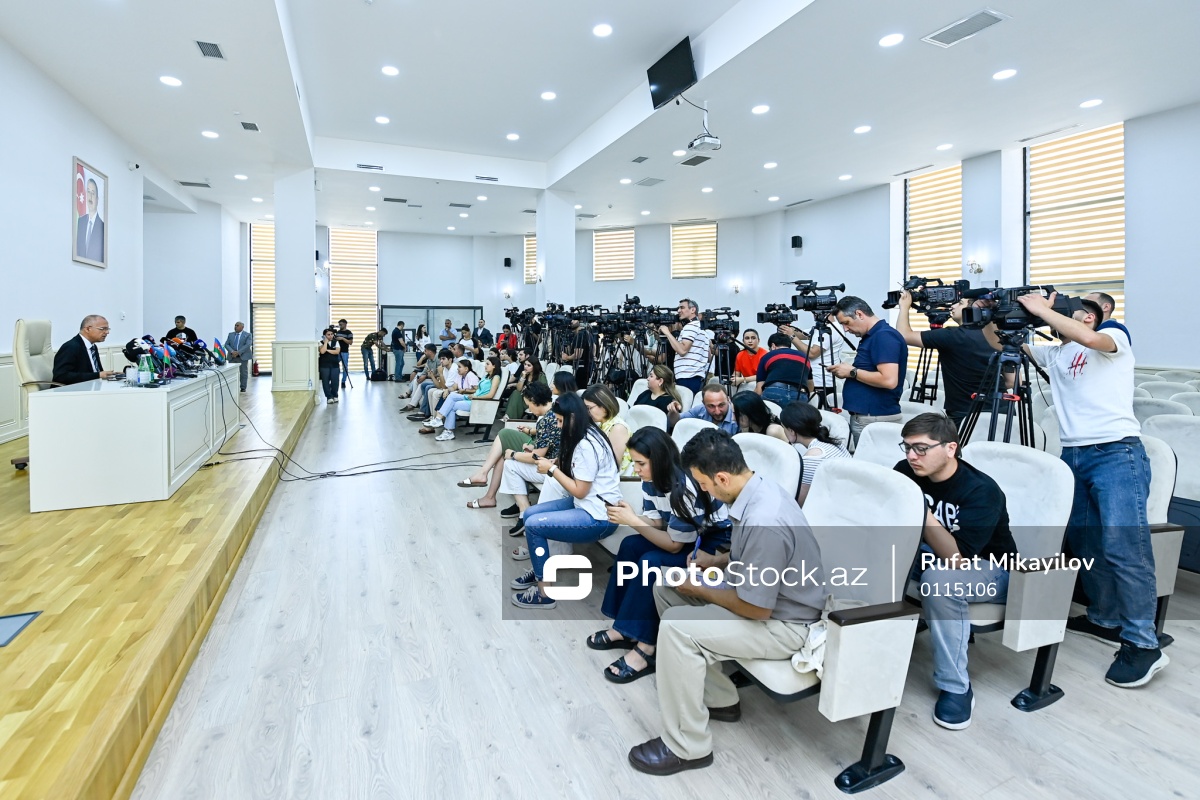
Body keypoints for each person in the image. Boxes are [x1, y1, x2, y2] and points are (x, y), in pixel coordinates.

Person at [983, 293, 1167, 688]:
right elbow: (1000, 344)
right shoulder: (1056, 353)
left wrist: (1042, 309)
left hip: (1116, 453)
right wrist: (988, 314)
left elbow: (1090, 338)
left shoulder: (1113, 335)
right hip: (1073, 454)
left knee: (1124, 547)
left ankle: (1143, 643)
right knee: (1085, 543)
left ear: (1088, 317)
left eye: (1068, 311)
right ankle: (1105, 618)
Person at [628, 429, 824, 776]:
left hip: (785, 625)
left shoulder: (765, 519)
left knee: (677, 628)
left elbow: (756, 609)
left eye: (704, 485)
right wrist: (716, 562)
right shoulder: (756, 491)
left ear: (721, 478)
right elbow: (749, 557)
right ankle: (721, 700)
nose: (705, 492)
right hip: (760, 601)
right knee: (665, 588)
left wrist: (700, 589)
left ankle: (686, 747)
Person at [893, 413, 1016, 729]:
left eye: (921, 448)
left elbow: (957, 559)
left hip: (992, 569)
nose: (911, 456)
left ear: (950, 448)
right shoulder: (906, 471)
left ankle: (956, 686)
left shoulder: (981, 491)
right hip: (931, 556)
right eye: (907, 447)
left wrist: (921, 510)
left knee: (938, 581)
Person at [592, 427, 731, 684]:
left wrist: (633, 521)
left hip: (712, 542)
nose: (636, 469)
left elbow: (675, 546)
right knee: (630, 546)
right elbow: (656, 522)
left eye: (641, 464)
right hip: (685, 535)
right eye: (635, 463)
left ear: (659, 460)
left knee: (652, 562)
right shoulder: (651, 480)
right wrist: (632, 516)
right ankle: (624, 628)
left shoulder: (684, 487)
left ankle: (646, 647)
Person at [510, 393, 621, 609]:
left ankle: (544, 594)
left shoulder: (587, 444)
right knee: (531, 513)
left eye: (561, 421)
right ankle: (541, 568)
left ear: (573, 417)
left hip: (598, 517)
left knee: (533, 525)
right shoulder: (586, 434)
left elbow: (579, 491)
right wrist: (557, 463)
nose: (559, 426)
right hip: (588, 505)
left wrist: (552, 469)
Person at [895, 288, 992, 424]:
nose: (953, 306)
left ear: (974, 309)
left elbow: (904, 335)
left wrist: (904, 306)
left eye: (960, 303)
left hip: (964, 415)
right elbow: (1012, 381)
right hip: (1000, 412)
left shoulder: (952, 336)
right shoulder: (997, 337)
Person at [463, 381, 558, 509]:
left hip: (551, 465)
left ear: (534, 400)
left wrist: (514, 454)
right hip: (553, 459)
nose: (529, 410)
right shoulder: (556, 412)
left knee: (506, 447)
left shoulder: (547, 420)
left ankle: (519, 507)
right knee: (504, 450)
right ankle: (489, 493)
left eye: (529, 405)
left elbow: (537, 456)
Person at [828, 296, 906, 445]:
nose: (845, 329)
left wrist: (852, 372)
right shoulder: (874, 335)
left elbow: (889, 380)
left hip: (875, 417)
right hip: (870, 417)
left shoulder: (883, 336)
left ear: (859, 314)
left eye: (846, 323)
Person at [778, 402, 849, 504]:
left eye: (783, 428)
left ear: (792, 431)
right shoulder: (836, 444)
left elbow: (799, 504)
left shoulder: (811, 459)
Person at [425, 357, 503, 441]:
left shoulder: (496, 378)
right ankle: (438, 419)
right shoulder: (486, 376)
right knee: (452, 395)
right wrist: (472, 395)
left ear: (494, 366)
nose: (485, 366)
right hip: (473, 398)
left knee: (452, 405)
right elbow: (478, 390)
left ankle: (448, 431)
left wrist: (476, 397)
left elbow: (491, 395)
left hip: (479, 402)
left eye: (487, 364)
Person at [781, 314, 845, 410]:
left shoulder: (831, 330)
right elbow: (802, 335)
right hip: (812, 380)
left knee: (816, 415)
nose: (814, 314)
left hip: (821, 383)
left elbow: (812, 353)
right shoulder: (820, 328)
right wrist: (784, 327)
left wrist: (791, 336)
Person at [660, 299, 710, 395]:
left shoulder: (690, 326)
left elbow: (682, 351)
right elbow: (708, 356)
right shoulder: (701, 328)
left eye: (682, 307)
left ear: (693, 310)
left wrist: (667, 333)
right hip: (697, 376)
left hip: (688, 376)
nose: (679, 311)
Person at [420, 358, 481, 435]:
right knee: (446, 394)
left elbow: (478, 390)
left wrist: (465, 390)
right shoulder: (459, 375)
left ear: (466, 369)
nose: (457, 369)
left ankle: (438, 419)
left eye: (459, 367)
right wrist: (447, 390)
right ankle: (438, 420)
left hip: (469, 397)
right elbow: (454, 388)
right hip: (462, 396)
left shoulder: (471, 375)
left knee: (450, 398)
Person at [582, 384, 633, 475]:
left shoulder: (618, 428)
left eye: (589, 408)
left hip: (617, 479)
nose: (587, 412)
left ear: (604, 406)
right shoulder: (601, 424)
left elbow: (613, 465)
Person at [53, 314, 117, 384]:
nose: (107, 332)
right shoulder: (71, 347)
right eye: (103, 329)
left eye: (107, 329)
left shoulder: (93, 347)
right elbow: (61, 376)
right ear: (88, 329)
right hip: (73, 389)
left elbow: (96, 372)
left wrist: (110, 375)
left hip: (92, 386)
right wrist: (98, 375)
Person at [754, 332, 811, 406]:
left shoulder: (767, 356)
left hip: (774, 391)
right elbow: (810, 385)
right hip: (799, 394)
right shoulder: (804, 357)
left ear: (773, 346)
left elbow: (759, 390)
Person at [667, 383, 739, 435]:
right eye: (711, 406)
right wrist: (673, 412)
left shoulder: (738, 415)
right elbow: (675, 422)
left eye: (721, 405)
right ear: (703, 403)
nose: (717, 412)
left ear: (728, 400)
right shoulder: (700, 409)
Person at [407, 349, 456, 420]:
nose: (441, 361)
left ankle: (434, 417)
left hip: (452, 390)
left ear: (450, 360)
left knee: (432, 391)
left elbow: (444, 387)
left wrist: (440, 374)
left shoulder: (453, 369)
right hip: (445, 388)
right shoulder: (445, 368)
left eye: (443, 359)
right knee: (428, 389)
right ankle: (432, 415)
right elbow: (439, 386)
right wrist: (432, 376)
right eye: (440, 359)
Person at [75, 178, 105, 262]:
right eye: (88, 192)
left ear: (97, 200)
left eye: (93, 193)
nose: (90, 197)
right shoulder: (80, 222)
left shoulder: (102, 227)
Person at [561, 317, 595, 386]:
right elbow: (594, 346)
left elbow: (578, 354)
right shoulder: (588, 333)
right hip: (588, 367)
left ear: (579, 321)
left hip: (581, 369)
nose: (571, 321)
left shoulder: (580, 335)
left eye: (574, 319)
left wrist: (567, 357)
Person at [223, 321, 253, 392]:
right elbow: (226, 344)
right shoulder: (231, 334)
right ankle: (232, 387)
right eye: (235, 325)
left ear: (242, 327)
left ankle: (243, 387)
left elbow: (248, 345)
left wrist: (238, 352)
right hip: (232, 356)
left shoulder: (247, 335)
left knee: (243, 372)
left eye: (237, 325)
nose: (235, 327)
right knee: (231, 372)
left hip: (242, 356)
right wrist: (232, 351)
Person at [317, 327, 341, 404]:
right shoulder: (321, 343)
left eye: (331, 334)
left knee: (335, 381)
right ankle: (329, 397)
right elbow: (322, 351)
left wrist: (327, 350)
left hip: (334, 364)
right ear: (324, 335)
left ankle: (335, 395)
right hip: (324, 365)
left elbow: (337, 352)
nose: (330, 336)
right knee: (325, 381)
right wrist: (325, 343)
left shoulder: (336, 342)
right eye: (328, 334)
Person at [332, 319, 353, 387]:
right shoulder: (338, 332)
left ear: (345, 324)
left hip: (344, 351)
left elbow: (350, 342)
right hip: (337, 351)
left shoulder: (348, 332)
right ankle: (335, 379)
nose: (340, 326)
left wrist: (342, 338)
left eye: (341, 324)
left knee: (345, 367)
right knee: (335, 366)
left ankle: (343, 381)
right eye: (339, 325)